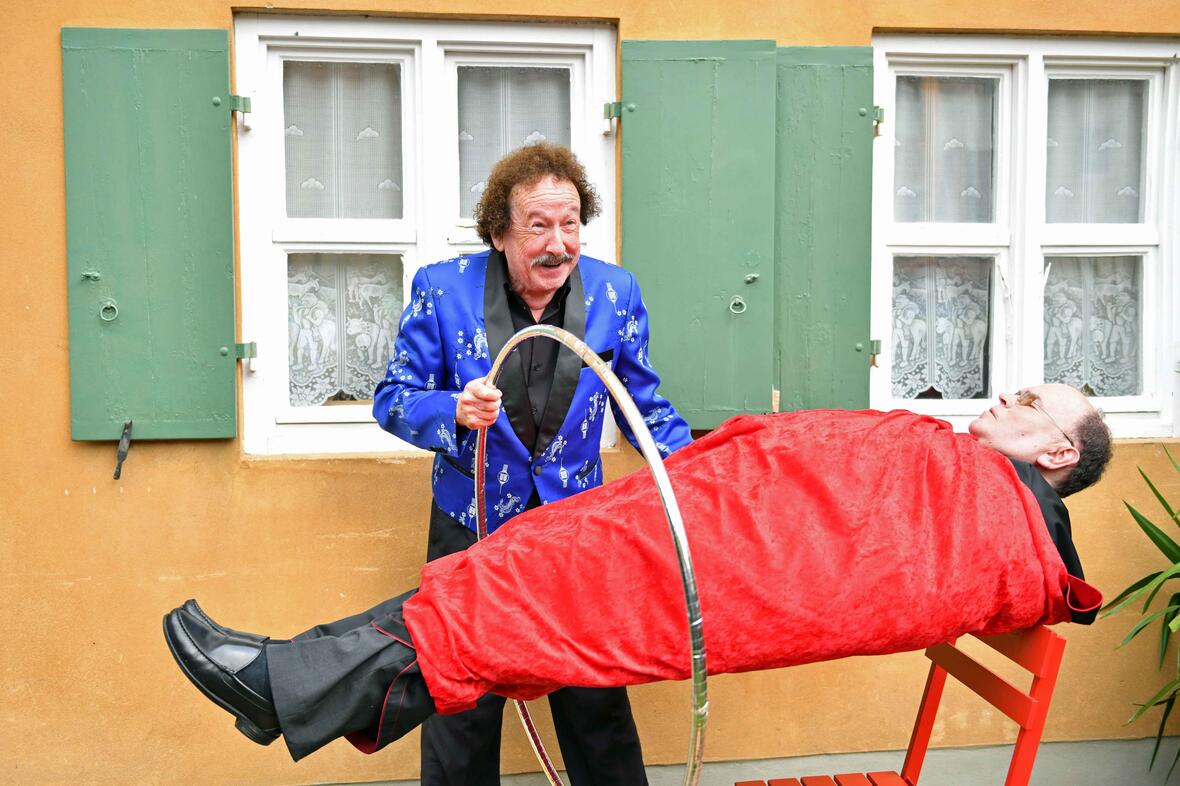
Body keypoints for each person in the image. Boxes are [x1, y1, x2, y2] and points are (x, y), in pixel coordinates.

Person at [164, 384, 1112, 765]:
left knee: (515, 596)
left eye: (1032, 402)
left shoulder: (992, 524)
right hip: (687, 525)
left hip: (713, 567)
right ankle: (290, 686)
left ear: (1059, 451)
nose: (1007, 395)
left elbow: (842, 556)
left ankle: (282, 687)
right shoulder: (978, 491)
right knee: (501, 579)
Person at [373, 143, 691, 785]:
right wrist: (453, 410)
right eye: (538, 225)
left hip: (576, 530)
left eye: (570, 223)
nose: (558, 243)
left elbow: (643, 409)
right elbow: (393, 400)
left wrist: (696, 477)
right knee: (460, 700)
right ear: (499, 232)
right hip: (472, 528)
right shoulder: (442, 289)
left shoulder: (615, 292)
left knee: (595, 699)